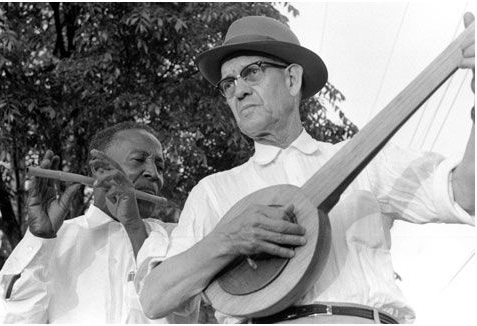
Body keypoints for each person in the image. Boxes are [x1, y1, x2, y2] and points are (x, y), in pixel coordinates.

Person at [141, 15, 475, 324]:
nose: (238, 90)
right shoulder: (213, 191)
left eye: (252, 72)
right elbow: (155, 299)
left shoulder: (365, 159)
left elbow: (466, 194)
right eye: (227, 84)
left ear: (292, 78)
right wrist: (228, 239)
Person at [0, 122, 197, 323]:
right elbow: (5, 319)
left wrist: (133, 225)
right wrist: (39, 240)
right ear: (99, 169)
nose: (154, 175)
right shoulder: (54, 241)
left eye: (159, 167)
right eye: (139, 160)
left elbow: (182, 306)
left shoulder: (176, 239)